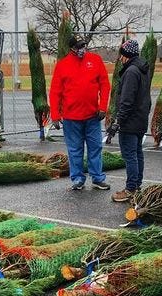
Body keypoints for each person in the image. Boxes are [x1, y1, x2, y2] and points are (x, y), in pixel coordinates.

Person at [49, 34, 111, 192]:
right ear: (71, 49)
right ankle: (77, 178)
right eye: (78, 47)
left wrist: (103, 107)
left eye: (83, 46)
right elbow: (55, 92)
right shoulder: (62, 65)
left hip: (92, 116)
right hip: (71, 118)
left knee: (95, 147)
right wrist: (55, 115)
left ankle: (97, 178)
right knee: (75, 150)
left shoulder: (95, 60)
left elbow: (105, 85)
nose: (82, 49)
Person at [111, 39, 152, 203]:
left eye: (121, 54)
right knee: (137, 153)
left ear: (126, 55)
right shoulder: (142, 69)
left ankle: (131, 189)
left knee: (130, 156)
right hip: (141, 118)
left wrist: (118, 121)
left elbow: (126, 100)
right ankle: (137, 185)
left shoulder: (131, 72)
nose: (120, 58)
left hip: (130, 120)